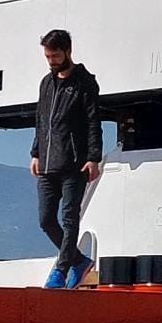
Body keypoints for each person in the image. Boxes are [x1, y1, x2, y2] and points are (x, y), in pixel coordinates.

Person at [30, 29, 102, 290]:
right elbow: (41, 120)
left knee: (70, 217)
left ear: (68, 51)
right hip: (48, 163)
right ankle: (78, 261)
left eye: (55, 55)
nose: (51, 60)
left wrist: (93, 157)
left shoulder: (84, 83)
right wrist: (35, 152)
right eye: (48, 56)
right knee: (46, 220)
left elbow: (94, 121)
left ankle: (61, 270)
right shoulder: (46, 83)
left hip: (74, 163)